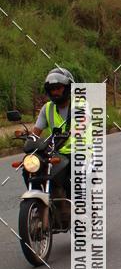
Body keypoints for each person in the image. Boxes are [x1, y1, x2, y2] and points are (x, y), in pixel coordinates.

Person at [15, 67, 74, 222]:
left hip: (77, 151)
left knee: (77, 176)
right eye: (52, 89)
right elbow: (36, 133)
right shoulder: (47, 108)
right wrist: (28, 138)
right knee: (29, 167)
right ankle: (39, 202)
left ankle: (78, 209)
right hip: (55, 151)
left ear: (68, 88)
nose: (55, 92)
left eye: (59, 88)